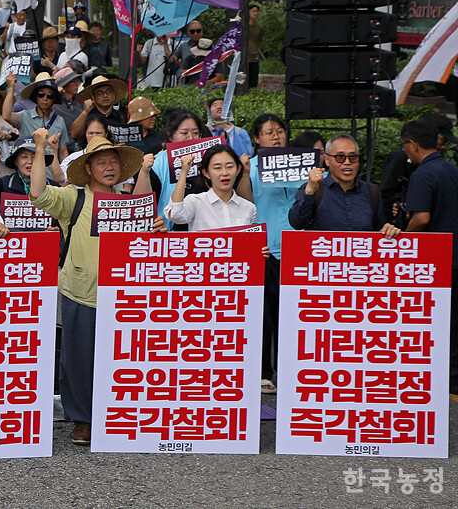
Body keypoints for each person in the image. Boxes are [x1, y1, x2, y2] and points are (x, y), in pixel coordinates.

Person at [25, 130, 149, 447]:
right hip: (80, 292)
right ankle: (83, 419)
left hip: (124, 296)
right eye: (102, 162)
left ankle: (117, 414)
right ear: (89, 169)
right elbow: (37, 193)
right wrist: (40, 148)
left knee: (122, 359)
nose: (109, 167)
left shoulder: (128, 203)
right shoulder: (74, 198)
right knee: (79, 360)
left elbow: (147, 235)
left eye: (114, 162)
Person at [236, 113, 296, 395]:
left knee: (294, 316)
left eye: (280, 131)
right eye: (269, 132)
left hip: (299, 250)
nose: (276, 136)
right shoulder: (253, 167)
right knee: (265, 318)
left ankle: (292, 370)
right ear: (257, 138)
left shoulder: (299, 164)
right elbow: (246, 203)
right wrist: (246, 174)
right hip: (268, 251)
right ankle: (263, 373)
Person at [400, 117, 458, 384]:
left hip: (439, 260)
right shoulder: (451, 169)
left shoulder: (422, 173)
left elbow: (422, 218)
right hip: (455, 254)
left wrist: (403, 235)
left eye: (404, 145)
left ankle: (444, 376)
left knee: (441, 322)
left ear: (412, 144)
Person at [289, 134, 395, 234]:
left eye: (353, 157)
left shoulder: (372, 192)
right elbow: (297, 223)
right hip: (323, 251)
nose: (347, 162)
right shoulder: (314, 189)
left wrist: (389, 230)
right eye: (340, 157)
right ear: (327, 160)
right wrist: (309, 193)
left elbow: (380, 229)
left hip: (359, 251)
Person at [163, 144, 256, 231]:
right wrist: (184, 172)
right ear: (206, 173)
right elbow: (175, 215)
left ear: (238, 169)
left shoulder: (249, 208)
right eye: (217, 168)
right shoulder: (196, 201)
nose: (224, 173)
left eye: (229, 167)